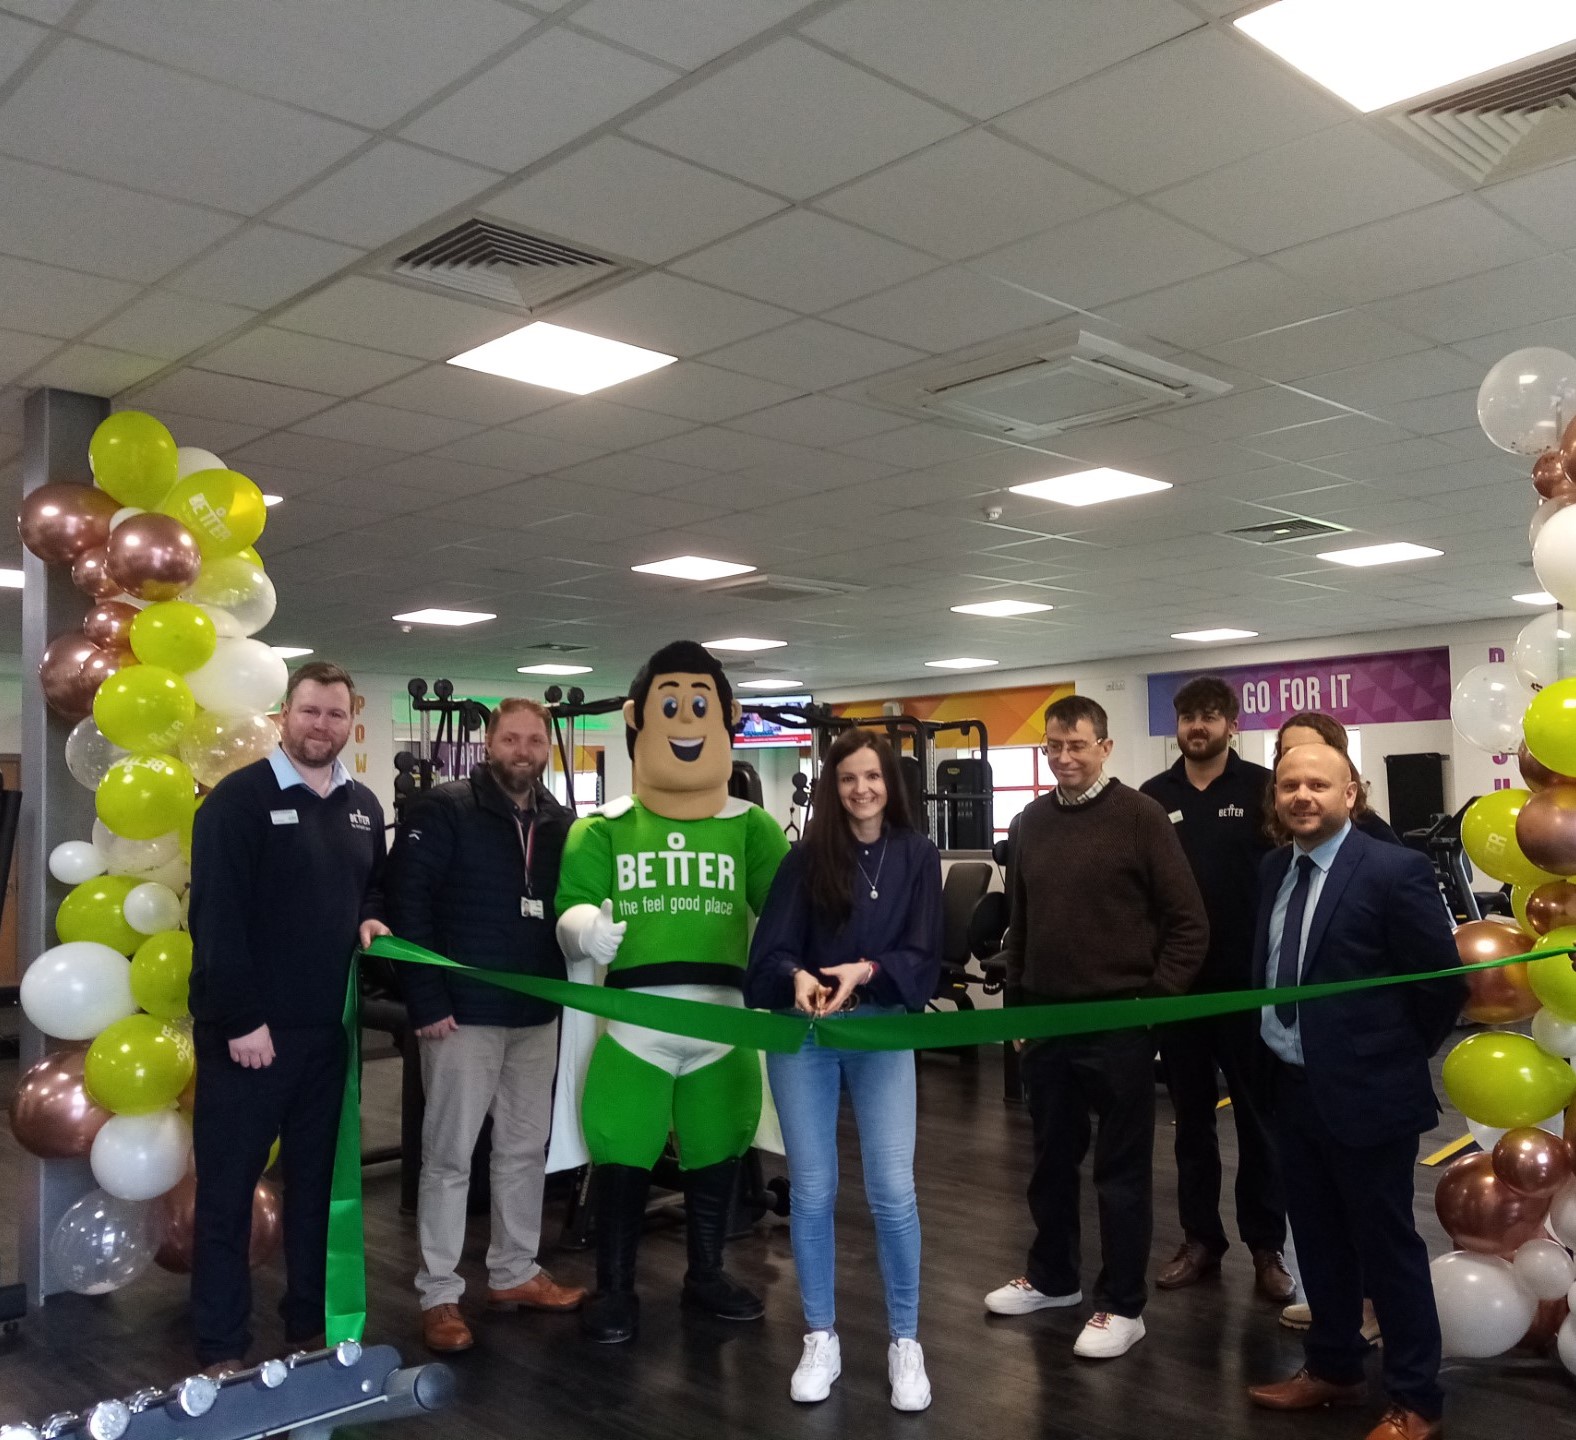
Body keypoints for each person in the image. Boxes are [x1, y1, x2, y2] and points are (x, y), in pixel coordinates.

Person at [555, 640, 790, 1344]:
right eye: (670, 705)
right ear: (636, 718)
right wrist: (583, 928)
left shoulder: (750, 828)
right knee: (623, 1148)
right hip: (633, 1019)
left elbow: (788, 907)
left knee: (720, 1146)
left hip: (724, 1017)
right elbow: (570, 911)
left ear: (726, 717)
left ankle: (706, 1272)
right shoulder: (604, 827)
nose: (685, 721)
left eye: (699, 705)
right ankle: (616, 1286)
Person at [1247, 743, 1464, 1440]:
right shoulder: (1273, 869)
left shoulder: (1394, 870)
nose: (1302, 795)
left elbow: (1439, 987)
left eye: (1318, 784)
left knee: (1386, 1249)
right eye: (1289, 785)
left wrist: (1388, 1058)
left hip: (1371, 1096)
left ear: (1353, 794)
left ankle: (1415, 1399)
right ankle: (1335, 1368)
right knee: (1317, 1240)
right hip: (1291, 1090)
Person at [985, 695, 1208, 1360]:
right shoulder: (1029, 822)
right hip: (1048, 1021)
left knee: (1120, 1170)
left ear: (1104, 748)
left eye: (1077, 745)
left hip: (1118, 1024)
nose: (1064, 758)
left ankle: (1122, 1304)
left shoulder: (1141, 817)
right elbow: (1019, 924)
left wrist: (1151, 1004)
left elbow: (1188, 924)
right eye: (1054, 747)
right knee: (1050, 1161)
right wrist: (1018, 1010)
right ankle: (1053, 1279)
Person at [187, 662, 390, 1373]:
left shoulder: (364, 805)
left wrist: (372, 920)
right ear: (283, 714)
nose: (322, 727)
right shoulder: (235, 803)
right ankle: (219, 1346)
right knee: (228, 1195)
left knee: (315, 1190)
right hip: (247, 1038)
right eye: (310, 712)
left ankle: (307, 1328)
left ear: (350, 720)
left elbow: (371, 892)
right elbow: (215, 921)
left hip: (325, 1037)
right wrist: (241, 1020)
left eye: (336, 715)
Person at [745, 729, 943, 1412]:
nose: (861, 789)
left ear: (892, 784)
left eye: (873, 777)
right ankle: (820, 1336)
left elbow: (925, 954)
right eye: (849, 779)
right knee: (814, 1190)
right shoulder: (805, 860)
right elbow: (769, 956)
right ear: (833, 787)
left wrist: (869, 970)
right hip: (806, 1039)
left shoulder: (917, 854)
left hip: (882, 1033)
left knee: (892, 1191)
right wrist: (798, 975)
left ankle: (905, 1343)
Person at [386, 698, 586, 1355]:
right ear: (489, 744)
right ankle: (440, 1294)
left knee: (524, 1151)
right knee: (448, 1158)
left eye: (534, 740)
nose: (523, 750)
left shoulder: (562, 820)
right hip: (461, 1014)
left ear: (547, 749)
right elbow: (406, 904)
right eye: (511, 739)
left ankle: (513, 1272)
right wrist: (426, 999)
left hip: (535, 1013)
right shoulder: (444, 809)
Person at [1140, 678, 1292, 1302]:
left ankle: (1266, 1247)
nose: (1196, 727)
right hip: (1179, 989)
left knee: (1260, 1125)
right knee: (1191, 1123)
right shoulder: (1152, 797)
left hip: (1248, 989)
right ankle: (1200, 1240)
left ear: (1232, 724)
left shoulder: (1262, 789)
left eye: (1208, 717)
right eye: (1187, 717)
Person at [1269, 713, 1401, 845]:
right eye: (1289, 752)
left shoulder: (1374, 833)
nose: (1301, 759)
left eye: (1314, 751)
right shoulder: (1268, 835)